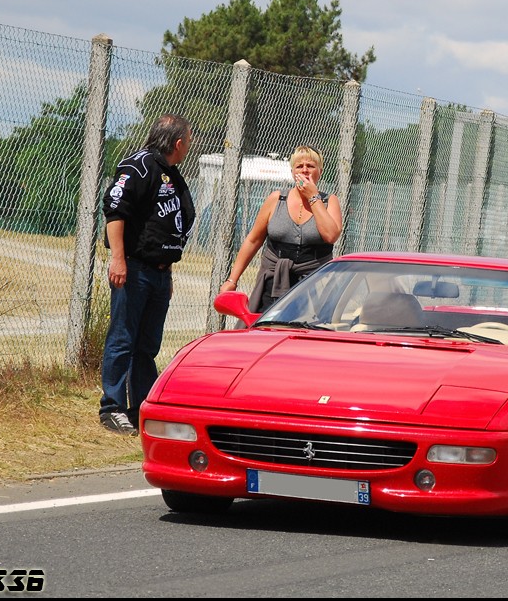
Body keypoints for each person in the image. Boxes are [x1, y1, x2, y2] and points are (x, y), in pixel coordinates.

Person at [99, 114, 197, 435]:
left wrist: (166, 271)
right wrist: (118, 259)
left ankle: (140, 406)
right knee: (123, 339)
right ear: (178, 142)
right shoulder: (139, 165)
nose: (190, 146)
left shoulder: (173, 174)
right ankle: (111, 407)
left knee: (147, 345)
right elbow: (115, 210)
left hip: (159, 274)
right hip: (134, 269)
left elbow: (171, 224)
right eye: (189, 140)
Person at [220, 145, 344, 312]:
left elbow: (331, 235)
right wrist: (232, 280)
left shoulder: (330, 201)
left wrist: (313, 197)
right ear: (292, 172)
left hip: (314, 284)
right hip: (273, 280)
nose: (305, 170)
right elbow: (253, 240)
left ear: (320, 171)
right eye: (299, 166)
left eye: (311, 166)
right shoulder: (276, 199)